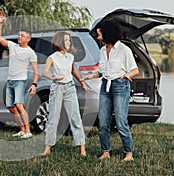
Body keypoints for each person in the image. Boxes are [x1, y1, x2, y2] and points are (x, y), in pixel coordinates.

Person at [82, 20, 139, 162]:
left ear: (108, 34)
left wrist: (127, 75)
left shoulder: (124, 50)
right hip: (105, 86)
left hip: (120, 86)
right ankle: (105, 151)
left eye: (100, 35)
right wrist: (91, 75)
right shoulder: (102, 50)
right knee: (103, 122)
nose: (98, 38)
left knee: (120, 122)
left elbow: (135, 70)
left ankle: (128, 153)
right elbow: (101, 71)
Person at [41, 31, 91, 156]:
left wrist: (82, 82)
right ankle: (47, 148)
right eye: (66, 40)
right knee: (53, 118)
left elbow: (73, 71)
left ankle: (82, 148)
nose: (69, 42)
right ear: (59, 42)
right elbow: (45, 72)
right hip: (57, 88)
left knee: (75, 117)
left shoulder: (70, 57)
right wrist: (52, 77)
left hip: (70, 88)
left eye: (69, 40)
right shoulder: (52, 57)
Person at [0, 12, 39, 139]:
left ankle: (28, 131)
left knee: (19, 105)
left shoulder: (31, 53)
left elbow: (36, 71)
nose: (19, 37)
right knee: (11, 107)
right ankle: (22, 130)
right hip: (10, 81)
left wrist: (34, 84)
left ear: (28, 39)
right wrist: (0, 23)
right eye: (19, 35)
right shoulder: (13, 46)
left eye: (22, 35)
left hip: (20, 82)